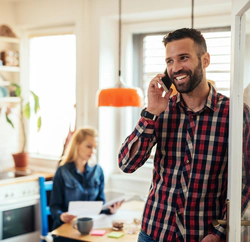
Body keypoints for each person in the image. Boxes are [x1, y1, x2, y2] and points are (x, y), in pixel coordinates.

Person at [118, 28, 250, 242]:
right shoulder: (160, 110)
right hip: (153, 232)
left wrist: (221, 232)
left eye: (183, 58)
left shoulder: (235, 113)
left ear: (205, 60)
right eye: (169, 61)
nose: (175, 67)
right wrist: (150, 113)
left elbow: (245, 182)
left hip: (202, 236)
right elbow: (126, 163)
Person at [50, 126, 123, 240]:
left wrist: (110, 210)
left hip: (90, 229)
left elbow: (100, 203)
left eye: (95, 147)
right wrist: (61, 216)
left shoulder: (98, 171)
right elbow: (54, 207)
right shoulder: (62, 171)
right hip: (67, 230)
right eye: (89, 146)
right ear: (77, 144)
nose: (92, 151)